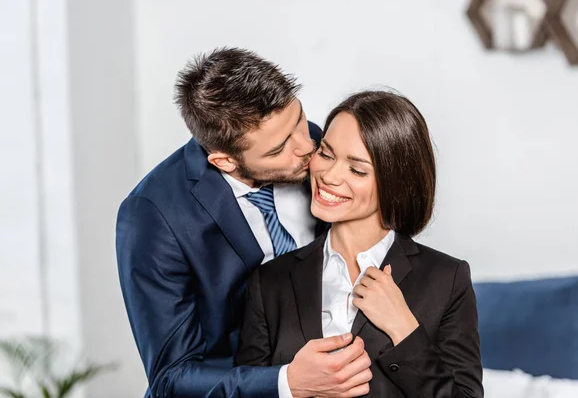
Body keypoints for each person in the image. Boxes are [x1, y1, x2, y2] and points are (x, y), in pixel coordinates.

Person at [116, 48, 372, 398]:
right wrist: (287, 383)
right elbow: (171, 379)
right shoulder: (152, 214)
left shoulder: (306, 141)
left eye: (299, 120)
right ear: (225, 162)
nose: (308, 147)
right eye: (279, 148)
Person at [237, 90, 484, 397]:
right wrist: (291, 384)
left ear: (395, 183)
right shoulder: (270, 281)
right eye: (326, 154)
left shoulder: (446, 280)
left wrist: (404, 328)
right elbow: (246, 390)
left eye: (356, 169)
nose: (329, 175)